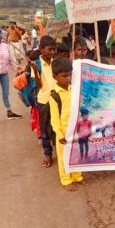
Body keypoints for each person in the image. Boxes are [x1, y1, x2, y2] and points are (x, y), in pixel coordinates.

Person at [49, 57, 85, 191]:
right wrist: (59, 134)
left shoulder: (73, 89)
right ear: (55, 76)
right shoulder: (54, 96)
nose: (68, 78)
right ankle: (65, 179)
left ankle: (77, 175)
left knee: (76, 153)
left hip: (75, 130)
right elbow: (54, 119)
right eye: (64, 76)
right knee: (64, 157)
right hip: (63, 133)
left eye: (70, 75)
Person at [31, 35, 57, 167]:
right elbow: (39, 86)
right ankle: (48, 153)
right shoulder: (37, 64)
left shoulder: (56, 61)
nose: (52, 52)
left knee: (57, 126)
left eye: (54, 49)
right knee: (45, 127)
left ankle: (58, 148)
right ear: (41, 49)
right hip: (44, 100)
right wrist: (35, 72)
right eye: (49, 49)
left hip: (57, 99)